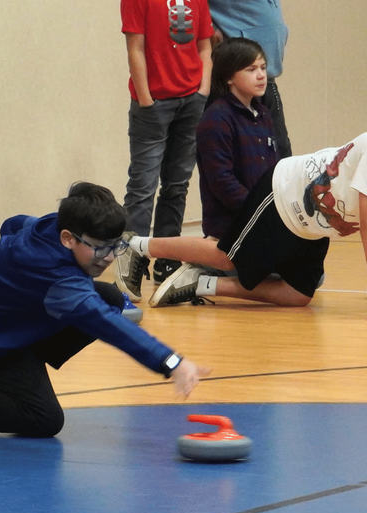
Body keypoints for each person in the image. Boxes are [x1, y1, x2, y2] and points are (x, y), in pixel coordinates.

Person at [0, 183, 209, 438]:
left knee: (107, 295)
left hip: (10, 318)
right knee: (43, 419)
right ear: (68, 238)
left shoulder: (48, 226)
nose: (109, 257)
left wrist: (3, 270)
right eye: (101, 248)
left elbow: (13, 223)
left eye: (115, 246)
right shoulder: (59, 281)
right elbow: (110, 328)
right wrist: (172, 363)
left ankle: (27, 366)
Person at [115, 90, 367, 320]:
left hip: (315, 225)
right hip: (285, 193)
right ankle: (136, 246)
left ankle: (201, 285)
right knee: (227, 256)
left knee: (299, 295)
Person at [117, 0, 214, 294]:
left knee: (176, 185)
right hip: (153, 105)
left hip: (191, 101)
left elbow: (205, 46)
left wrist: (203, 91)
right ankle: (130, 261)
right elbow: (135, 47)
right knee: (142, 187)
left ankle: (167, 259)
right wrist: (146, 99)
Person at [195, 37, 278, 241]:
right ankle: (202, 269)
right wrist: (256, 210)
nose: (261, 75)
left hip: (262, 221)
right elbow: (221, 180)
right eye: (251, 69)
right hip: (230, 226)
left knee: (310, 271)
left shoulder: (264, 115)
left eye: (263, 67)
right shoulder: (216, 118)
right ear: (229, 77)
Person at [207, 0, 292, 158]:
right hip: (235, 82)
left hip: (267, 79)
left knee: (280, 152)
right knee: (238, 156)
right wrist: (206, 23)